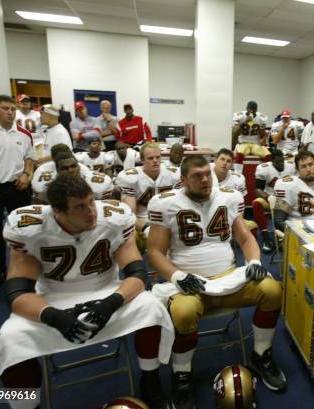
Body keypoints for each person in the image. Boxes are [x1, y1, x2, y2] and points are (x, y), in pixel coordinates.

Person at [0, 175, 175, 409]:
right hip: (53, 297)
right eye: (80, 207)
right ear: (58, 211)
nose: (91, 212)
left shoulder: (114, 218)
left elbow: (137, 274)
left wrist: (112, 302)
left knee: (151, 306)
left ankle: (150, 378)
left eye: (91, 202)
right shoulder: (30, 227)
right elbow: (17, 293)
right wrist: (53, 315)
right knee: (10, 339)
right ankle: (26, 406)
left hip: (107, 291)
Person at [148, 156, 287, 409]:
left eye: (206, 174)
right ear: (182, 180)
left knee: (273, 290)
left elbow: (245, 239)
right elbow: (155, 251)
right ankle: (182, 374)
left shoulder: (227, 197)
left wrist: (255, 261)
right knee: (183, 312)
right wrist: (177, 276)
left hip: (228, 276)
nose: (204, 180)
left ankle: (261, 355)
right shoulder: (166, 203)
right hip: (190, 282)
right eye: (196, 176)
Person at [0, 95, 36, 287]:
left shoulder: (24, 134)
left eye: (13, 109)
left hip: (18, 187)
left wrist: (27, 174)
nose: (10, 112)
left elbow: (30, 158)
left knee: (25, 229)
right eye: (5, 108)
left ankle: (29, 268)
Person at [116, 142, 181, 234]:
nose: (155, 161)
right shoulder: (130, 177)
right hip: (142, 222)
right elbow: (129, 215)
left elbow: (180, 206)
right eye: (150, 158)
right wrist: (145, 227)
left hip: (169, 220)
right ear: (142, 160)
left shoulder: (174, 174)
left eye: (158, 157)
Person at [272, 151, 314, 230]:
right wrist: (300, 233)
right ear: (297, 169)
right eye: (303, 166)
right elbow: (278, 221)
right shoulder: (288, 185)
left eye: (310, 164)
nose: (309, 169)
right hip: (301, 231)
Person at [252, 149, 295, 252]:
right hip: (270, 198)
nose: (281, 164)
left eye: (282, 161)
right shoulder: (264, 169)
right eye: (278, 162)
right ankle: (266, 238)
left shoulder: (291, 166)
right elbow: (258, 190)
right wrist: (268, 197)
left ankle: (284, 236)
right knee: (256, 203)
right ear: (272, 161)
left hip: (287, 200)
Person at [32, 150, 114, 203]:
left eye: (73, 166)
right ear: (57, 170)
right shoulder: (46, 189)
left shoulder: (98, 185)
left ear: (79, 166)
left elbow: (114, 199)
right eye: (65, 168)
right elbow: (39, 208)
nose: (71, 170)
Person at [232, 101, 270, 173]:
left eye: (254, 110)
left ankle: (265, 174)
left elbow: (263, 134)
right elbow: (234, 134)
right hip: (243, 143)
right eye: (250, 109)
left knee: (267, 155)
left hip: (255, 144)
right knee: (240, 154)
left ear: (256, 110)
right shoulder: (240, 115)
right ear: (247, 108)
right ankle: (238, 174)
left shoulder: (261, 117)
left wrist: (263, 137)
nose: (251, 111)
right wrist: (244, 122)